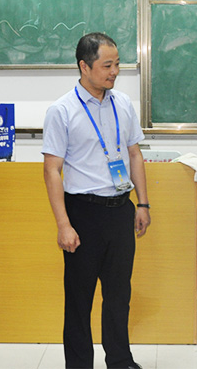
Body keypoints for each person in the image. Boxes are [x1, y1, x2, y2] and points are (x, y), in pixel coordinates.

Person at [42, 32, 150, 369]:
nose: (114, 71)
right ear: (84, 66)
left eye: (117, 64)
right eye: (107, 65)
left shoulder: (123, 104)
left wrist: (142, 203)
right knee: (79, 299)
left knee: (118, 295)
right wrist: (64, 224)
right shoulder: (62, 110)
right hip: (83, 213)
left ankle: (120, 360)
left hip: (120, 210)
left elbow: (134, 154)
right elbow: (52, 170)